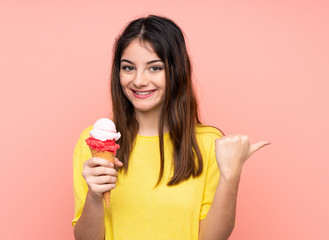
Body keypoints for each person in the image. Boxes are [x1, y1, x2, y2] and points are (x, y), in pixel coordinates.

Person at [72, 15, 270, 240]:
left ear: (176, 71)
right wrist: (94, 196)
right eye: (128, 68)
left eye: (154, 68)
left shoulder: (208, 143)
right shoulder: (92, 142)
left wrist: (231, 175)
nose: (139, 80)